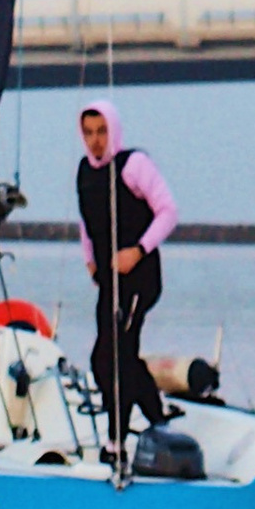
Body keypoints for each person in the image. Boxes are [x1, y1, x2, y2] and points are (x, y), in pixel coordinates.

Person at [76, 104, 177, 452]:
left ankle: (115, 442)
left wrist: (138, 250)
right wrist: (89, 260)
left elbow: (168, 212)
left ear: (113, 131)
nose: (95, 141)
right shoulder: (84, 172)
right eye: (89, 133)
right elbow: (86, 221)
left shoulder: (134, 165)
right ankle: (157, 416)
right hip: (109, 281)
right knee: (100, 359)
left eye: (101, 132)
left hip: (141, 279)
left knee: (118, 355)